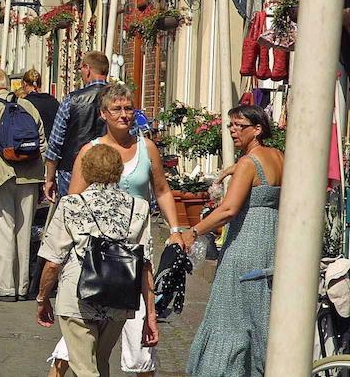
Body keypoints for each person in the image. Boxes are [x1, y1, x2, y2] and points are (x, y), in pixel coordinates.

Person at [48, 83, 183, 377]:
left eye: (128, 108)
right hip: (94, 261)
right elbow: (74, 202)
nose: (124, 115)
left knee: (135, 344)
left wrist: (175, 228)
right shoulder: (90, 150)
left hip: (130, 255)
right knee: (72, 350)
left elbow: (161, 190)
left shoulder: (146, 148)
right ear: (103, 114)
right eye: (117, 109)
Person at [36, 144, 158, 377]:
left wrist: (42, 298)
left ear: (86, 170)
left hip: (77, 297)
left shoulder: (71, 204)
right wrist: (149, 314)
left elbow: (53, 262)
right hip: (119, 296)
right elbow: (145, 266)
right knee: (99, 362)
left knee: (85, 369)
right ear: (119, 171)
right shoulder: (138, 207)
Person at [184, 104, 283, 377]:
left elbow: (228, 209)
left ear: (258, 129)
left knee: (229, 318)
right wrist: (234, 169)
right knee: (258, 318)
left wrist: (193, 232)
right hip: (271, 244)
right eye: (231, 125)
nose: (232, 131)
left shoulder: (248, 163)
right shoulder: (278, 156)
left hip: (245, 245)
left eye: (240, 126)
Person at [0, 67, 46, 302]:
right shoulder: (28, 107)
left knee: (2, 230)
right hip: (30, 176)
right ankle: (22, 285)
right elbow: (42, 143)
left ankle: (5, 286)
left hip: (0, 175)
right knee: (23, 233)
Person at [45, 52, 110, 201]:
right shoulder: (119, 100)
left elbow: (55, 143)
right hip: (110, 171)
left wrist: (49, 179)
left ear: (87, 68)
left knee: (74, 217)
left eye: (81, 68)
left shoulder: (72, 100)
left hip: (72, 171)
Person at [18, 69, 59, 141]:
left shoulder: (24, 103)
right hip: (53, 144)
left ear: (25, 84)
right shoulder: (53, 101)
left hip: (34, 146)